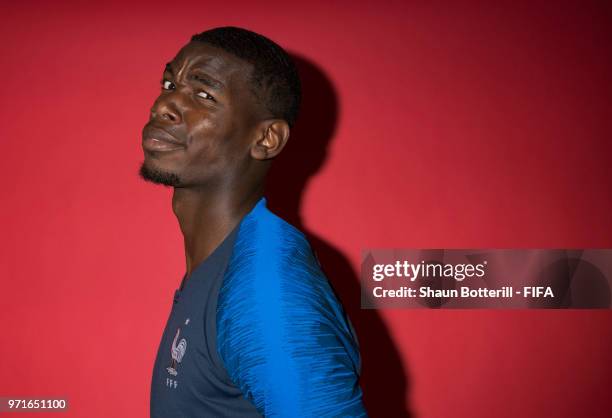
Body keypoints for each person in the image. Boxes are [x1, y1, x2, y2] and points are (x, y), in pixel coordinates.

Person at [140, 26, 367, 417]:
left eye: (204, 94)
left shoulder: (266, 286)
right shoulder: (224, 265)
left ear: (266, 139)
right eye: (169, 82)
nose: (164, 104)